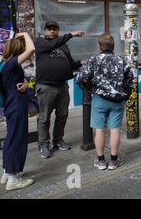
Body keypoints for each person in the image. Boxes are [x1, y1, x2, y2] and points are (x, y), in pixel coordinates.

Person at [77, 34, 133, 170]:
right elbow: (130, 79)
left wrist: (91, 89)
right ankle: (114, 161)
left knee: (100, 130)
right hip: (117, 100)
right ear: (113, 46)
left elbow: (82, 79)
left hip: (99, 99)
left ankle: (101, 161)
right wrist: (125, 94)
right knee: (115, 130)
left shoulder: (93, 60)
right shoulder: (122, 60)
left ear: (99, 46)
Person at [34, 21, 84, 159]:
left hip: (62, 86)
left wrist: (81, 62)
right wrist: (71, 34)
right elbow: (51, 44)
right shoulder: (40, 42)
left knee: (62, 115)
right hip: (46, 86)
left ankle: (58, 141)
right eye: (49, 29)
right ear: (45, 31)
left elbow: (71, 64)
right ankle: (44, 145)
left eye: (54, 29)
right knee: (44, 118)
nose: (52, 31)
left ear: (58, 31)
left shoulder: (63, 45)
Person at [0, 32, 35, 191]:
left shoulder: (3, 63)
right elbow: (31, 49)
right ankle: (13, 180)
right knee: (17, 140)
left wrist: (27, 84)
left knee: (10, 138)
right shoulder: (12, 63)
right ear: (17, 50)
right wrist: (26, 35)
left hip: (10, 105)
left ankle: (7, 172)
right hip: (16, 105)